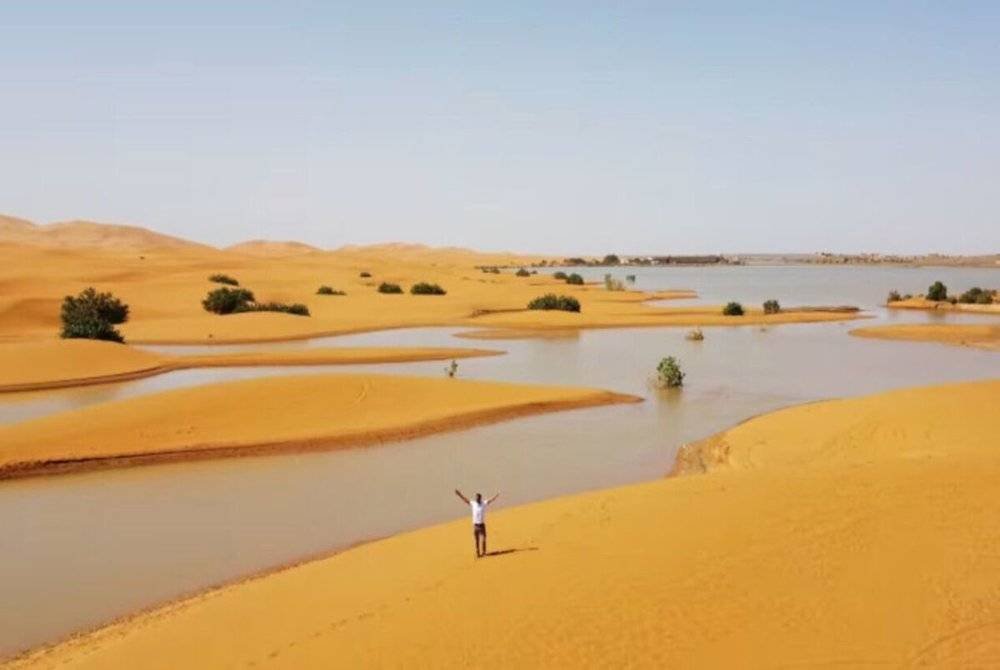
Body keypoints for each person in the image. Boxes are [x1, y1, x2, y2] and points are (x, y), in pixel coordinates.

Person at [454, 489, 500, 558]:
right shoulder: (473, 503)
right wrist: (459, 494)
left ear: (480, 498)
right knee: (477, 540)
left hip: (482, 525)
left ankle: (484, 552)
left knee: (484, 539)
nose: (477, 499)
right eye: (476, 498)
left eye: (478, 498)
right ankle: (478, 553)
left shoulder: (483, 503)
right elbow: (465, 500)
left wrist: (496, 496)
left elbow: (490, 500)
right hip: (475, 525)